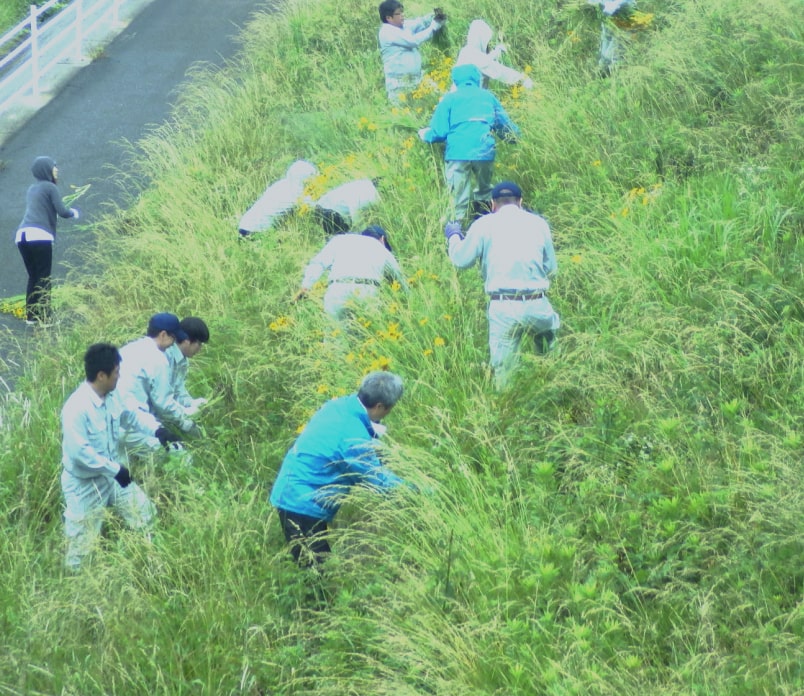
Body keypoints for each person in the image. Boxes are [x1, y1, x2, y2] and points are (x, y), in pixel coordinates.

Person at [270, 371, 407, 566]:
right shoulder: (353, 439)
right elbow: (380, 482)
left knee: (315, 564)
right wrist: (423, 492)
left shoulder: (339, 406)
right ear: (380, 406)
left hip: (293, 488)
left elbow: (360, 441)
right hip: (300, 503)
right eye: (390, 408)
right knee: (316, 573)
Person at [444, 181, 560, 389]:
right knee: (549, 359)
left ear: (493, 204)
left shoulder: (484, 225)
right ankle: (554, 393)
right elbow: (551, 268)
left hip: (504, 305)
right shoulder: (539, 224)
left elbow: (461, 260)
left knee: (504, 374)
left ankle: (509, 410)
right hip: (537, 302)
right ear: (521, 202)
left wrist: (453, 236)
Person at [60, 343, 156, 571]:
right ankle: (78, 591)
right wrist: (115, 470)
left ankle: (147, 565)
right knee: (81, 548)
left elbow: (131, 416)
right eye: (116, 373)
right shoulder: (76, 408)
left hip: (113, 477)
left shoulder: (113, 396)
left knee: (145, 514)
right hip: (85, 484)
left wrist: (157, 430)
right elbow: (80, 453)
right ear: (101, 375)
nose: (119, 377)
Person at [419, 64, 520, 222]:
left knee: (457, 198)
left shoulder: (450, 99)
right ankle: (484, 222)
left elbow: (439, 132)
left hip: (457, 153)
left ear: (455, 80)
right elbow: (505, 127)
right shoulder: (488, 97)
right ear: (477, 78)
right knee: (484, 191)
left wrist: (425, 134)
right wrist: (516, 138)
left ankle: (456, 232)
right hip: (484, 151)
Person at [116, 313, 199, 459]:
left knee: (123, 474)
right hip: (132, 424)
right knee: (182, 457)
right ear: (163, 334)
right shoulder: (157, 359)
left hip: (108, 422)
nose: (174, 343)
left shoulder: (130, 349)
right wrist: (186, 421)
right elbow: (164, 404)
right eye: (173, 338)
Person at [15, 156, 80, 324]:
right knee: (44, 277)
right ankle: (45, 317)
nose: (56, 169)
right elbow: (62, 211)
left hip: (22, 235)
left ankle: (31, 316)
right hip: (39, 235)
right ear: (46, 170)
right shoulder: (50, 187)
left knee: (34, 276)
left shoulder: (32, 189)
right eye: (53, 167)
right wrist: (74, 212)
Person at [294, 225, 408, 320]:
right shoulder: (381, 248)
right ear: (382, 239)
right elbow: (399, 279)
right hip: (366, 292)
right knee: (365, 339)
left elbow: (318, 263)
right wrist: (407, 301)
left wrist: (306, 286)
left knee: (334, 340)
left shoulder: (340, 240)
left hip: (337, 290)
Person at [378, 0, 444, 103]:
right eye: (398, 14)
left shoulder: (402, 26)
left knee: (440, 98)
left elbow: (419, 23)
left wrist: (433, 16)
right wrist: (433, 27)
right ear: (388, 18)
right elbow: (413, 41)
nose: (402, 16)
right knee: (404, 114)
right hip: (399, 84)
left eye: (402, 12)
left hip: (417, 79)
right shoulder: (387, 32)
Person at [238, 160, 318, 237]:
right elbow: (315, 209)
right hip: (256, 231)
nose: (311, 180)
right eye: (310, 177)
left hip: (244, 225)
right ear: (303, 177)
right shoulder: (296, 193)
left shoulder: (281, 184)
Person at [455, 20, 534, 89]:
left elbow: (485, 60)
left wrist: (498, 51)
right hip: (467, 102)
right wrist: (522, 79)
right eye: (487, 41)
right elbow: (498, 71)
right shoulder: (473, 54)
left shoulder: (466, 52)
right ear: (481, 39)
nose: (488, 45)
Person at [165, 316, 210, 418]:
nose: (200, 349)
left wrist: (191, 403)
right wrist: (184, 412)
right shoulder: (165, 357)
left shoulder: (183, 361)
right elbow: (161, 398)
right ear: (187, 341)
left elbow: (178, 391)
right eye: (199, 344)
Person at [313, 178, 381, 236]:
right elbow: (355, 211)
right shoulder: (370, 193)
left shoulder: (364, 184)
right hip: (327, 212)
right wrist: (359, 232)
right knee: (346, 237)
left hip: (321, 208)